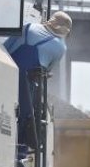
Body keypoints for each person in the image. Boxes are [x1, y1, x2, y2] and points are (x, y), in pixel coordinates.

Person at [4, 11, 72, 149]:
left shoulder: (28, 27)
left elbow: (5, 48)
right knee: (26, 116)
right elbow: (46, 71)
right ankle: (19, 152)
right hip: (25, 84)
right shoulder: (60, 48)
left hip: (3, 72)